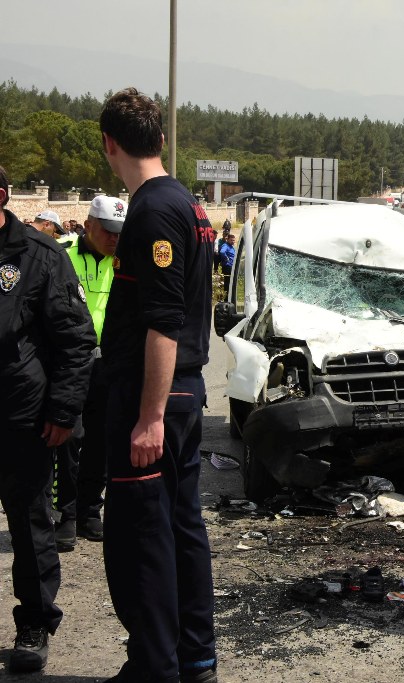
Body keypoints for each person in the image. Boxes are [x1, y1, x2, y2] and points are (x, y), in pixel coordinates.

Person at [99, 87, 218, 682]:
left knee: (141, 540)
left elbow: (163, 323)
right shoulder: (186, 202)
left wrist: (147, 417)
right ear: (162, 139)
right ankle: (192, 660)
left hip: (157, 399)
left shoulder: (152, 210)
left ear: (109, 144)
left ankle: (156, 666)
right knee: (178, 527)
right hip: (180, 394)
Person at [0, 164, 96, 672]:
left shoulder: (38, 257)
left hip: (21, 419)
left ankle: (35, 622)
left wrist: (62, 411)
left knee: (30, 525)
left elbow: (76, 342)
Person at [53, 195, 126, 552]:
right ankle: (64, 514)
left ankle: (89, 510)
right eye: (109, 232)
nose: (114, 240)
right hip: (68, 362)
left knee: (101, 440)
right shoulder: (61, 253)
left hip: (107, 365)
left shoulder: (125, 260)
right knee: (68, 438)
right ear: (90, 225)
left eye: (119, 233)